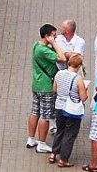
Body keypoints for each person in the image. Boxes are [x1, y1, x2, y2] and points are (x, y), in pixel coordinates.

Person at [28, 23, 66, 154]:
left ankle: (31, 139)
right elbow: (62, 58)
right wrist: (54, 43)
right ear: (47, 36)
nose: (55, 38)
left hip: (37, 84)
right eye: (53, 36)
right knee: (45, 116)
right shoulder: (44, 51)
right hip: (47, 87)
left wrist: (51, 43)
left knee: (35, 112)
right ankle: (42, 143)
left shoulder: (36, 45)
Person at [50, 53, 88, 167]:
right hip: (71, 110)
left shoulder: (59, 74)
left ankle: (53, 154)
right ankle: (63, 159)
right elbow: (83, 98)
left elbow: (54, 89)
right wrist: (85, 89)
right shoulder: (78, 79)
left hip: (59, 106)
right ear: (79, 66)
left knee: (60, 130)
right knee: (70, 133)